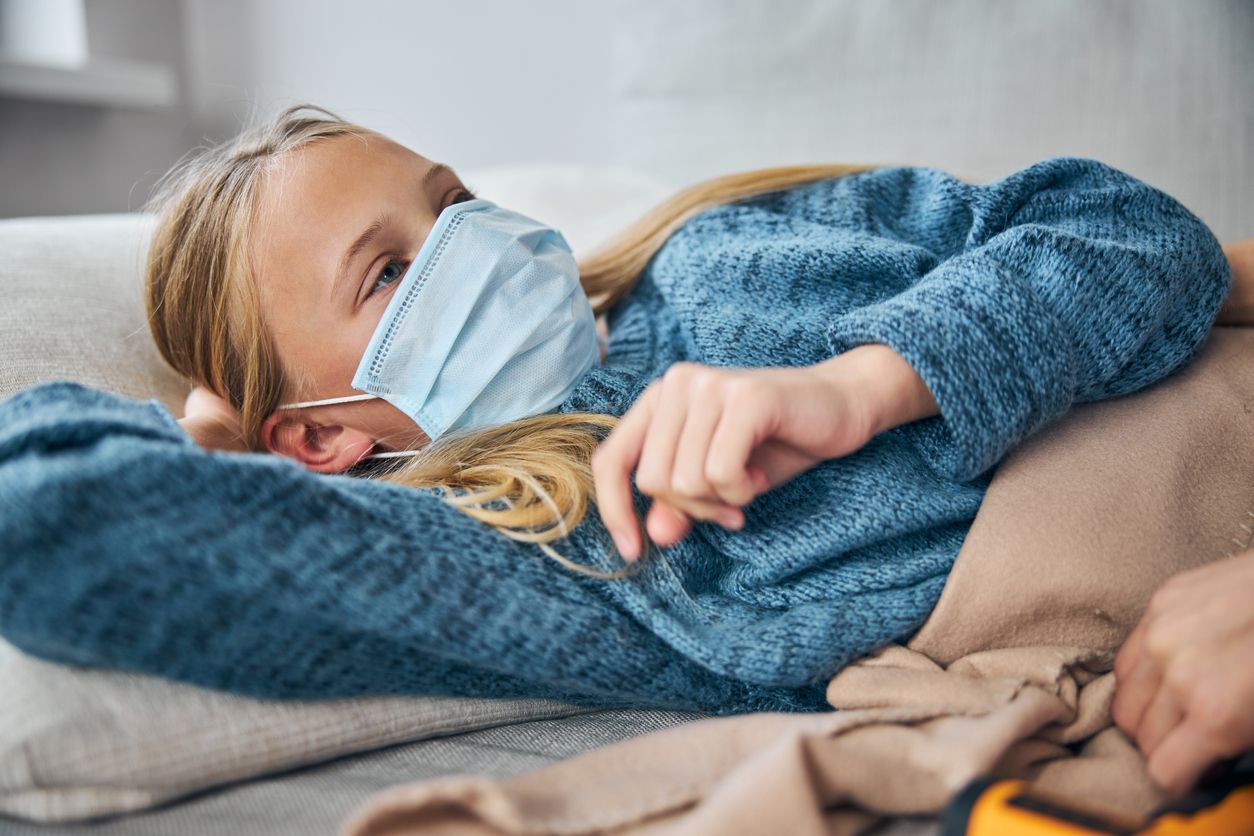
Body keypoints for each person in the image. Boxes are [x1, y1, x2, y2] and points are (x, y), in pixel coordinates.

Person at [0, 105, 1238, 729]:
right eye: (387, 272)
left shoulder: (726, 245)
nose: (469, 243)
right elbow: (51, 522)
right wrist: (212, 432)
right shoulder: (541, 543)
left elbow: (1135, 229)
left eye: (453, 200)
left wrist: (868, 381)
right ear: (318, 436)